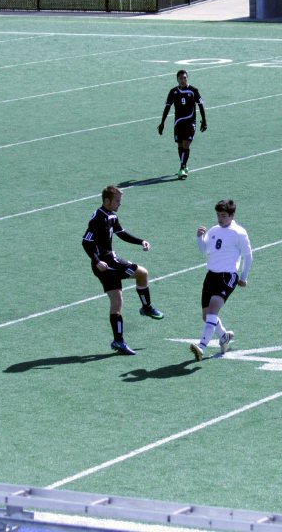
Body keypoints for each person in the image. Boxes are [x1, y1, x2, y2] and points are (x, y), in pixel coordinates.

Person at [82, 185, 164, 356]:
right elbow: (86, 241)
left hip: (106, 263)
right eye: (117, 201)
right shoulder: (98, 218)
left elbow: (122, 233)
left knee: (117, 302)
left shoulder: (111, 215)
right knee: (142, 273)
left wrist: (141, 241)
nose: (120, 204)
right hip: (107, 262)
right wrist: (97, 261)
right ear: (107, 201)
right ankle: (146, 307)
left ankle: (118, 341)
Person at [189, 199, 252, 362]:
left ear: (231, 215)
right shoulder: (214, 230)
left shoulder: (239, 232)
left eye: (223, 215)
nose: (220, 218)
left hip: (227, 276)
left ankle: (201, 347)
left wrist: (244, 277)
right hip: (211, 275)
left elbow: (248, 256)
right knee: (206, 316)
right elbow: (204, 251)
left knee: (212, 311)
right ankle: (224, 336)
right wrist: (199, 238)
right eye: (218, 215)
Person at [157, 69, 207, 180]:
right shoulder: (173, 92)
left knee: (186, 145)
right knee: (180, 146)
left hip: (190, 122)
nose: (183, 80)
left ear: (187, 78)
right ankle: (184, 165)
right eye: (181, 78)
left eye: (185, 78)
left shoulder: (193, 90)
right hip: (178, 122)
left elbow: (200, 105)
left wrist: (204, 121)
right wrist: (162, 123)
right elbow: (167, 107)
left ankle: (182, 167)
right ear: (177, 79)